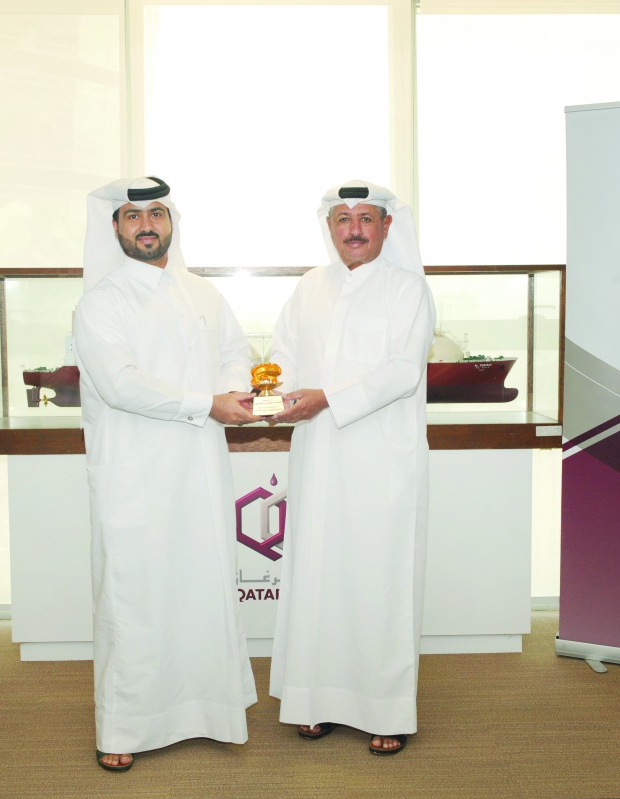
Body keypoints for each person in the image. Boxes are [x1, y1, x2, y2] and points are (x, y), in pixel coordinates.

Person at [73, 176, 259, 772]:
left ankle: (210, 712)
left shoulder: (201, 294)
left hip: (199, 467)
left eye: (156, 214)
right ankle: (124, 726)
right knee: (135, 597)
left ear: (172, 224)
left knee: (200, 588)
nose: (146, 225)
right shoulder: (100, 302)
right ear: (116, 227)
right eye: (133, 216)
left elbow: (236, 352)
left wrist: (231, 390)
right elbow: (120, 384)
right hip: (134, 473)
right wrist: (208, 403)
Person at [267, 179, 436, 756]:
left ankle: (384, 709)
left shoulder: (408, 288)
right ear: (330, 228)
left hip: (380, 457)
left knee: (378, 578)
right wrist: (272, 389)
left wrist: (327, 398)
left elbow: (401, 372)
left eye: (366, 218)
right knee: (320, 576)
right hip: (318, 453)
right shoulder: (310, 287)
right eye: (342, 219)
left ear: (387, 226)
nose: (354, 229)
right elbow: (283, 353)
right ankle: (315, 701)